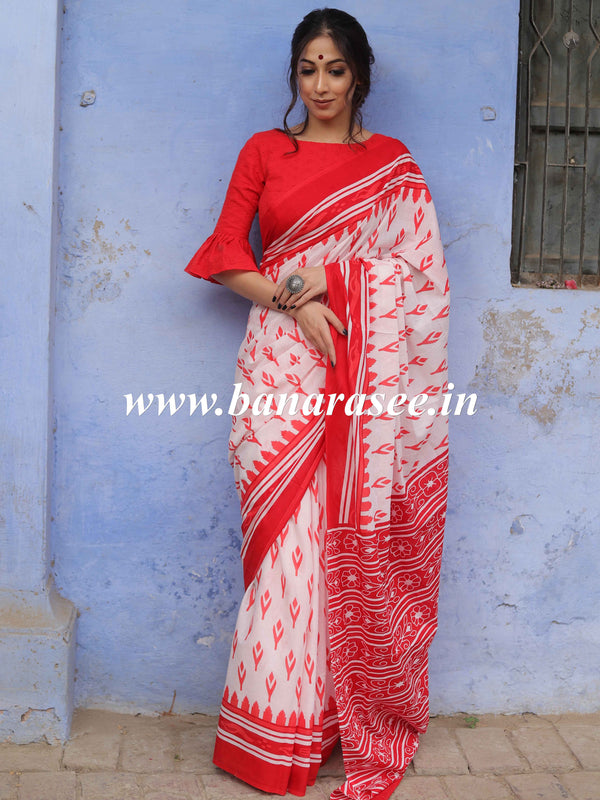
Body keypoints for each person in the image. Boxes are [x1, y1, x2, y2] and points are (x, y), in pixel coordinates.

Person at [184, 8, 450, 800]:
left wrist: (335, 281)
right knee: (285, 551)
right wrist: (293, 300)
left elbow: (422, 278)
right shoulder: (267, 151)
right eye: (309, 69)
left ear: (360, 75)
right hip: (277, 367)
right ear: (294, 76)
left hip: (365, 380)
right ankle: (268, 740)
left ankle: (334, 726)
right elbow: (225, 254)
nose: (322, 85)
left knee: (344, 542)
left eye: (336, 69)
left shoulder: (391, 166)